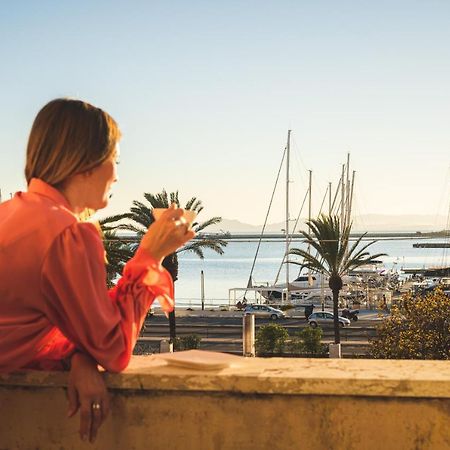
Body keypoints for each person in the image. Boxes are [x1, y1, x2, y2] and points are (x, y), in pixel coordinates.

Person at [0, 98, 195, 442]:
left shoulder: (8, 214)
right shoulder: (69, 233)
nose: (117, 175)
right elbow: (114, 348)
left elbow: (54, 320)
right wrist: (151, 255)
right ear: (86, 164)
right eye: (113, 161)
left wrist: (80, 355)